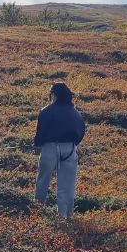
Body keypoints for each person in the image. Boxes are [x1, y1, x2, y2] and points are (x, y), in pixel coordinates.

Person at [33, 80, 86, 220]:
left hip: (50, 148)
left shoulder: (46, 111)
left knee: (43, 180)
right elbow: (81, 132)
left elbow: (40, 134)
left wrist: (37, 143)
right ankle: (64, 216)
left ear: (54, 95)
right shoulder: (76, 113)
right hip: (70, 149)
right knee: (66, 185)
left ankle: (38, 211)